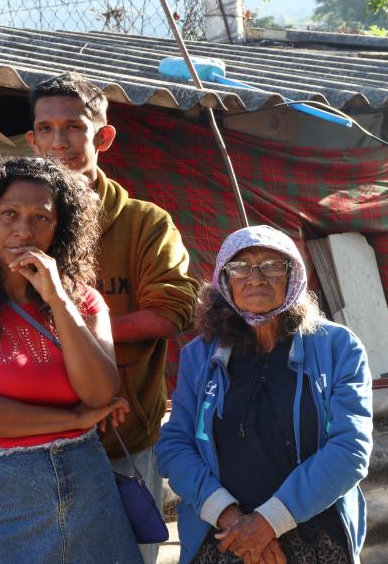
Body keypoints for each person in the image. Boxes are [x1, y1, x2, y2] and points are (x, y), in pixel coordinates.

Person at [0, 157, 143, 564]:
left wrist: (58, 297)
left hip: (85, 477)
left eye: (42, 217)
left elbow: (101, 390)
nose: (23, 229)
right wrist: (73, 420)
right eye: (9, 214)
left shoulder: (83, 300)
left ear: (61, 229)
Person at [27, 73, 200, 563]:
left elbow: (168, 316)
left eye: (73, 127)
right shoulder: (14, 219)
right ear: (31, 139)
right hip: (33, 435)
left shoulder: (145, 222)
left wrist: (68, 333)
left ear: (103, 136)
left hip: (122, 437)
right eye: (46, 129)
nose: (58, 142)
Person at [156, 225, 373, 564]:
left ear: (294, 275)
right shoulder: (199, 356)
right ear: (224, 280)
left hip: (316, 533)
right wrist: (233, 520)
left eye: (273, 265)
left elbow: (350, 449)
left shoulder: (337, 347)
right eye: (240, 267)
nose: (255, 278)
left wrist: (268, 522)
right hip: (225, 536)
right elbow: (174, 445)